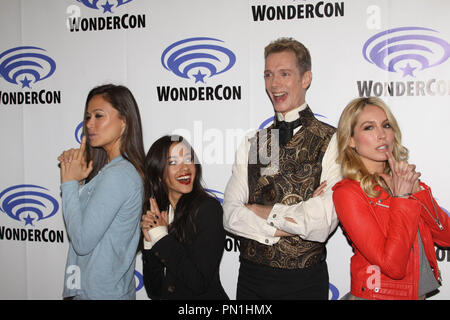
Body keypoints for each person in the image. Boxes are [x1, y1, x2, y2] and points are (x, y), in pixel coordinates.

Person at [223, 37, 341, 299]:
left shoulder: (333, 140)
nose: (274, 84)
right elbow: (230, 215)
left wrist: (255, 210)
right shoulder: (253, 143)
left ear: (306, 78)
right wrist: (297, 217)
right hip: (251, 280)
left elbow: (322, 220)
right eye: (268, 75)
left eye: (284, 74)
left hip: (305, 283)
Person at [332, 96, 450, 300]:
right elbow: (393, 267)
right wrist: (402, 198)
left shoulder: (403, 181)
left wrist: (418, 193)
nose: (382, 135)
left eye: (386, 125)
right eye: (369, 128)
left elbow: (446, 237)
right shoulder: (348, 193)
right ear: (351, 140)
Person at [58, 84, 146, 299]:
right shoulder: (112, 171)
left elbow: (81, 241)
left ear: (124, 121)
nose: (89, 124)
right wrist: (77, 180)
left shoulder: (119, 175)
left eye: (99, 116)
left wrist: (69, 183)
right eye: (88, 117)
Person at [141, 135, 229, 300]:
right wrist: (149, 242)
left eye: (189, 159)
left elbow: (198, 282)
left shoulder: (208, 210)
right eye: (173, 162)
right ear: (158, 173)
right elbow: (155, 292)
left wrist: (161, 237)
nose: (185, 168)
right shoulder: (161, 213)